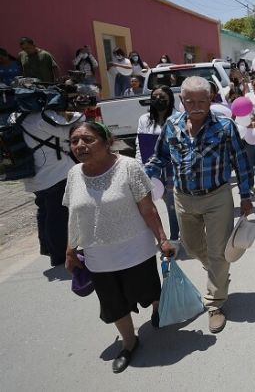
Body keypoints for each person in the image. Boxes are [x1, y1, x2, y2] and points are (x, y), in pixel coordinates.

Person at [64, 122, 175, 374]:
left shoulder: (129, 167)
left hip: (136, 251)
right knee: (113, 303)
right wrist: (70, 250)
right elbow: (74, 216)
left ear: (107, 142)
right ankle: (129, 342)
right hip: (98, 258)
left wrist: (162, 239)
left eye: (88, 139)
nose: (80, 145)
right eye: (74, 141)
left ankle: (157, 308)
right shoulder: (74, 174)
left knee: (148, 290)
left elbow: (148, 209)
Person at [145, 76, 253, 334]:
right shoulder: (171, 125)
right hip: (183, 197)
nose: (196, 107)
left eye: (201, 101)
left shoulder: (225, 126)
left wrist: (245, 195)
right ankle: (218, 269)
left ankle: (215, 303)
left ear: (210, 99)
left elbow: (240, 160)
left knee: (218, 252)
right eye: (190, 101)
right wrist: (142, 176)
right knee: (192, 247)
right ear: (181, 101)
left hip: (217, 197)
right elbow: (160, 157)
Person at [16, 90, 88, 265]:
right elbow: (70, 132)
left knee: (45, 211)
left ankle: (47, 248)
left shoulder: (20, 118)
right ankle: (59, 255)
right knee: (58, 215)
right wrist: (79, 111)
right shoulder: (43, 118)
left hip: (34, 174)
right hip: (54, 174)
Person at [136, 85, 180, 241]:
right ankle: (161, 236)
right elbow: (140, 145)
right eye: (154, 97)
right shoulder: (144, 119)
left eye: (162, 97)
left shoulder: (177, 117)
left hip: (172, 167)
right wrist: (140, 167)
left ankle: (174, 237)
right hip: (152, 167)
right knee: (153, 203)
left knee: (171, 204)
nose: (158, 100)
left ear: (170, 99)